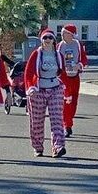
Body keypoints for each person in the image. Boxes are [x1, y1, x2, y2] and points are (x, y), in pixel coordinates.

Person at [24, 28, 67, 158]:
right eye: (45, 38)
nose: (47, 40)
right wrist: (30, 87)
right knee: (36, 120)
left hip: (55, 88)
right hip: (39, 90)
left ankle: (58, 146)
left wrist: (67, 90)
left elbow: (63, 73)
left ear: (54, 40)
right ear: (41, 40)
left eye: (50, 38)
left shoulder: (58, 55)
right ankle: (38, 147)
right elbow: (29, 72)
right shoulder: (36, 54)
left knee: (57, 119)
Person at [57, 24, 88, 137]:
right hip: (64, 78)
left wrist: (79, 65)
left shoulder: (78, 45)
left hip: (75, 77)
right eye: (63, 34)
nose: (64, 36)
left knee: (74, 101)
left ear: (72, 34)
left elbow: (84, 59)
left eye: (66, 33)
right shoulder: (59, 46)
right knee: (67, 101)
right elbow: (56, 60)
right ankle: (67, 125)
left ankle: (69, 120)